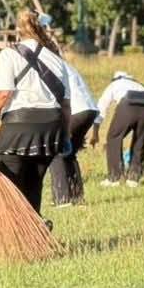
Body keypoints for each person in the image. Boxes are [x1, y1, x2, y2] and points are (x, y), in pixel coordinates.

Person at [0, 10, 71, 214]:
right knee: (34, 185)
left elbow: (2, 94)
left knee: (10, 186)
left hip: (19, 128)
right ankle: (35, 232)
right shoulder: (56, 59)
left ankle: (15, 234)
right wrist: (65, 135)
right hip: (51, 129)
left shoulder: (10, 54)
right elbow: (66, 105)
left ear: (18, 30)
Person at [95, 69, 144, 188]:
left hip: (127, 107)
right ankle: (134, 178)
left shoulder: (114, 84)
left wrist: (95, 130)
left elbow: (102, 106)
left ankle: (115, 178)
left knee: (114, 138)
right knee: (139, 141)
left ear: (115, 78)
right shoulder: (139, 85)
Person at [49, 50, 99, 207]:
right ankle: (77, 196)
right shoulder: (67, 66)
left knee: (55, 152)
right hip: (89, 110)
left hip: (76, 111)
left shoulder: (52, 66)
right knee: (69, 154)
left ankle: (62, 199)